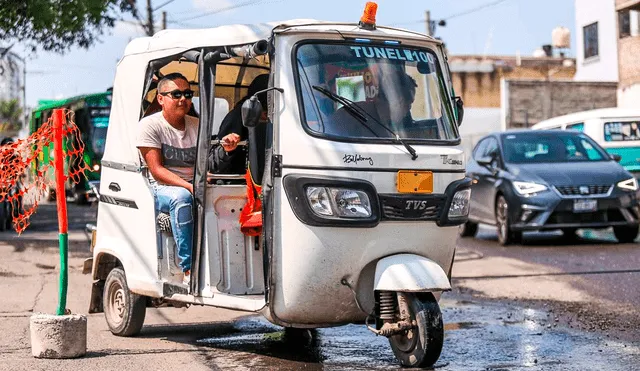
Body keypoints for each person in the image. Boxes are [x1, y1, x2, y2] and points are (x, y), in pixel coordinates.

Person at [137, 72, 201, 285]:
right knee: (181, 198)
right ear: (160, 98)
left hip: (192, 183)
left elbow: (205, 164)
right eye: (176, 94)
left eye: (187, 94)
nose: (183, 99)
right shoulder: (150, 126)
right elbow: (156, 170)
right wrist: (189, 186)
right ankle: (189, 269)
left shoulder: (197, 124)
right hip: (161, 188)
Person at [328, 69, 418, 137]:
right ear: (399, 102)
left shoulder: (389, 125)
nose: (408, 110)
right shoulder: (349, 117)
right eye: (409, 104)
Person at [211, 74, 269, 174]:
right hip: (236, 177)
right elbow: (220, 160)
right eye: (265, 112)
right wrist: (229, 148)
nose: (267, 116)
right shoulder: (237, 117)